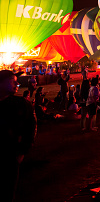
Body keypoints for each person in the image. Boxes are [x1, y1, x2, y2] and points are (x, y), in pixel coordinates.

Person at [0, 70, 37, 202]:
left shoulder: (21, 104)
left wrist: (22, 151)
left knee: (7, 192)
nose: (17, 84)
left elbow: (31, 128)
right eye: (12, 80)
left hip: (10, 155)